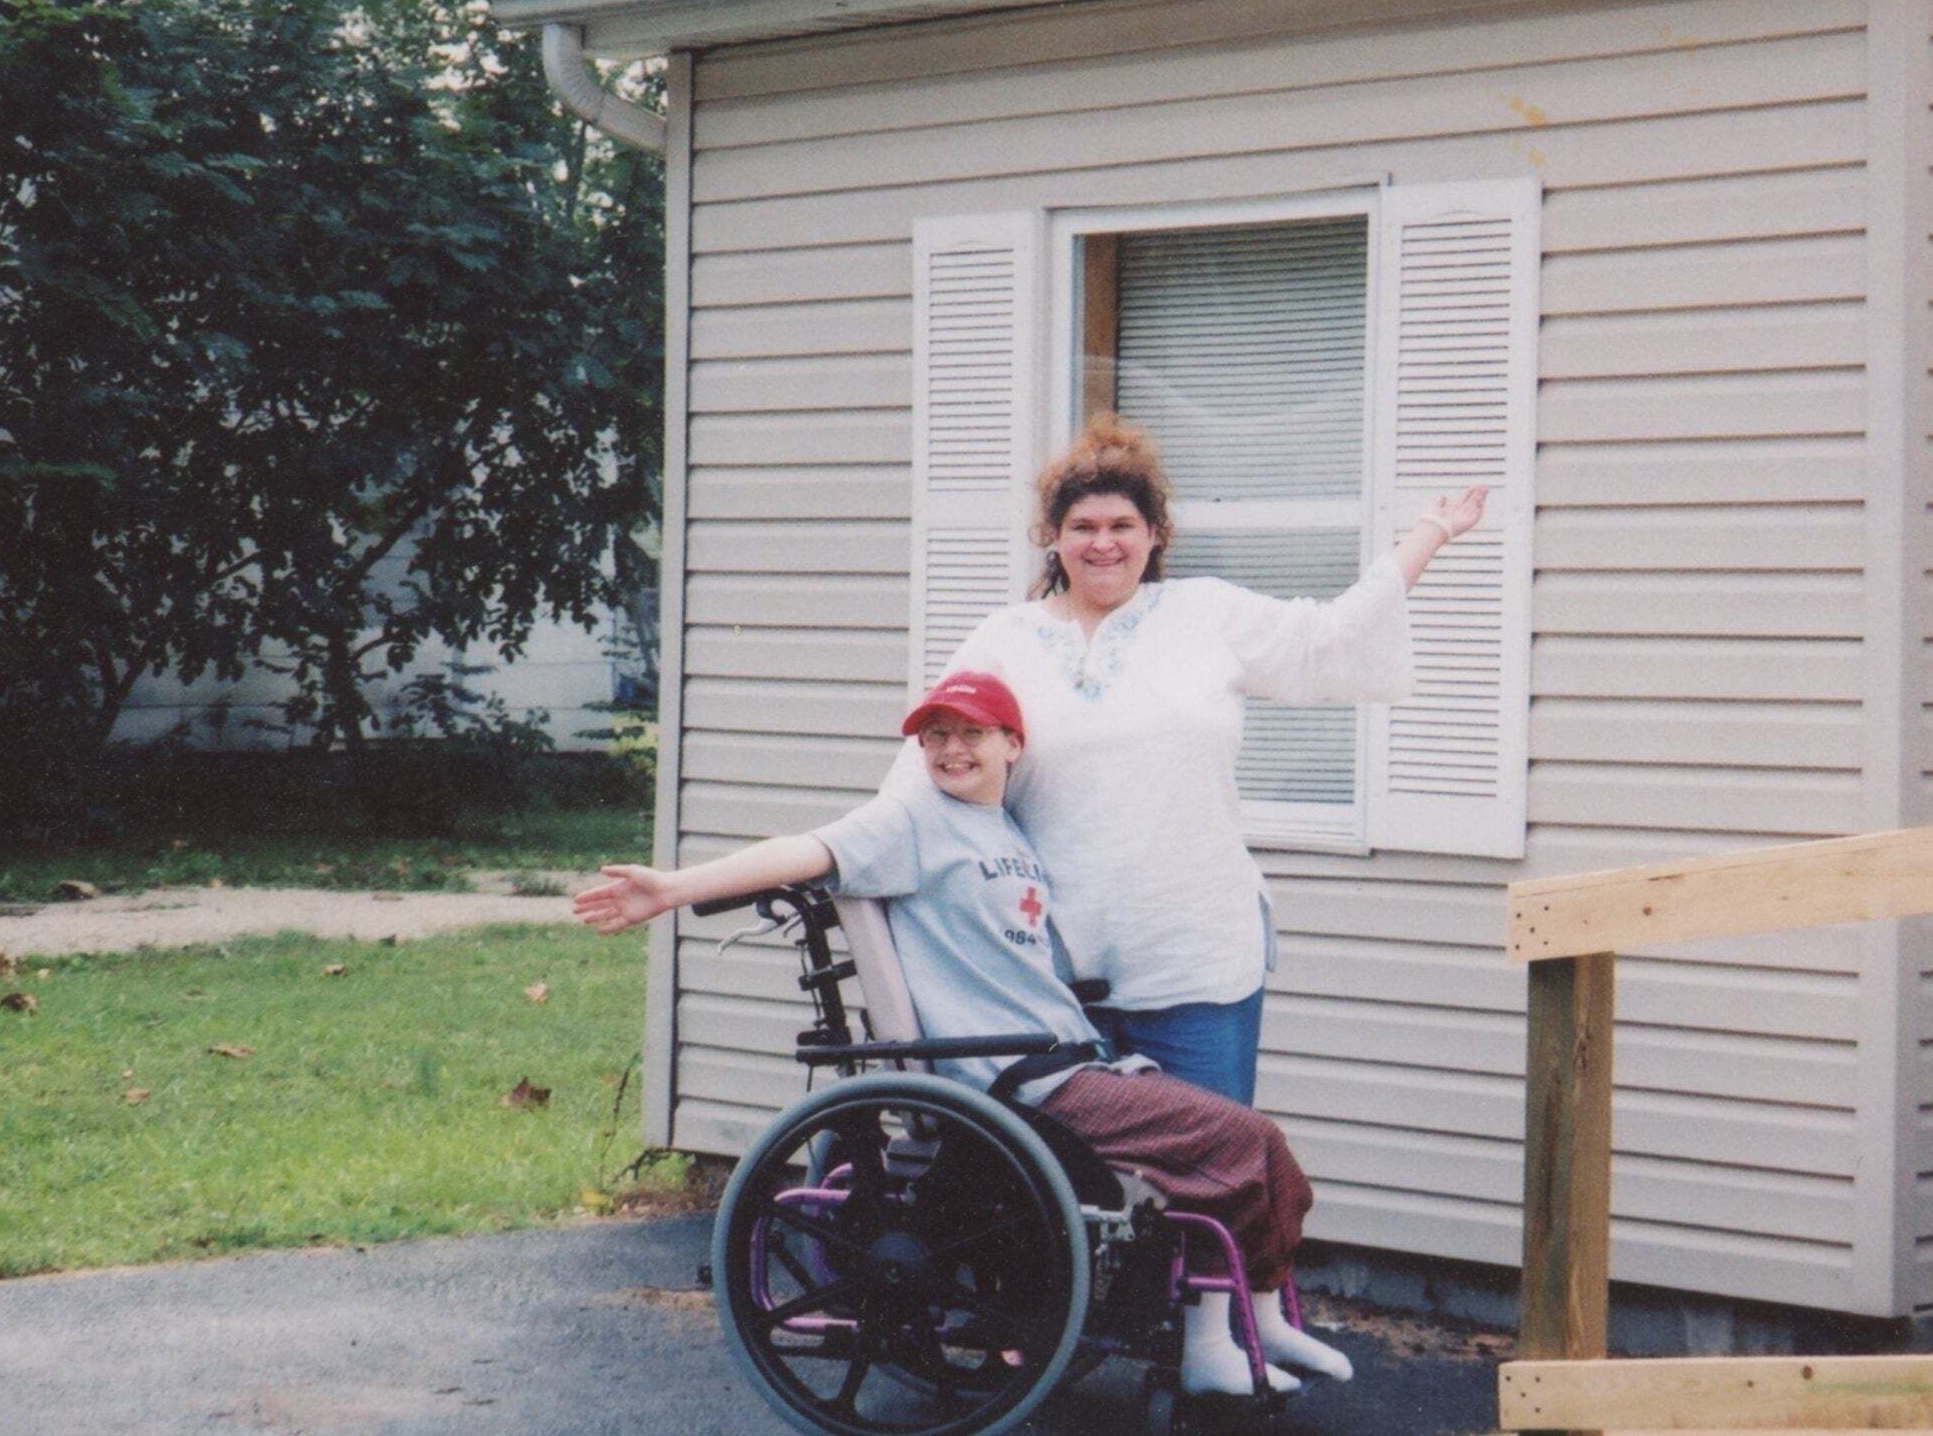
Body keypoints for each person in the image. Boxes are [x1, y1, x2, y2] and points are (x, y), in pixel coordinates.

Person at [574, 669, 1357, 1397]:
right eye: (935, 736)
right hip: (1020, 1082)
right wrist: (670, 889)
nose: (952, 749)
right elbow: (802, 851)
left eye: (972, 733)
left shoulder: (1007, 834)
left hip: (1069, 1062)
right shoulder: (911, 818)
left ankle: (1251, 1326)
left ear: (1012, 745)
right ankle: (1225, 1339)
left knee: (1243, 1151)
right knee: (1242, 1138)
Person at [891, 417, 1487, 1105]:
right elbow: (922, 774)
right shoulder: (1003, 639)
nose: (1104, 542)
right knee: (1071, 1197)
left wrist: (1427, 535)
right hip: (1052, 976)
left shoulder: (1207, 614)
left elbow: (1333, 639)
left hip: (1195, 966)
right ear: (1053, 537)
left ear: (1155, 533)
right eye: (1083, 526)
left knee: (1209, 1184)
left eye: (1124, 523)